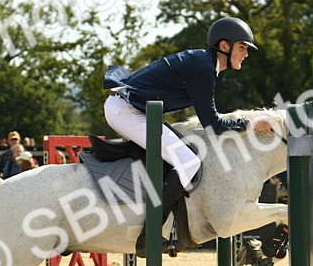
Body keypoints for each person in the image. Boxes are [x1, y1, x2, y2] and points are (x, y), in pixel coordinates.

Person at [104, 17, 272, 251]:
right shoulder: (203, 68)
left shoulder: (204, 63)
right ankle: (148, 235)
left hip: (132, 109)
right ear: (224, 46)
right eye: (242, 47)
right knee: (188, 160)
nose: (246, 54)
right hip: (126, 111)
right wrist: (250, 124)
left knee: (184, 154)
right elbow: (213, 125)